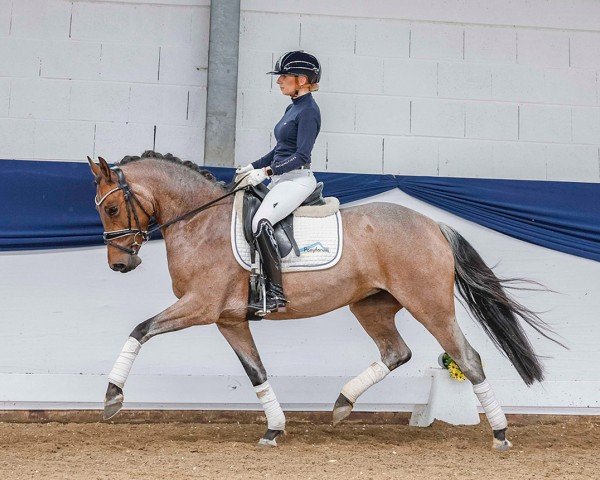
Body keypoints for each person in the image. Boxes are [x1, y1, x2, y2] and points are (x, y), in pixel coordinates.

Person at [236, 51, 322, 314]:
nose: (279, 81)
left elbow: (301, 156)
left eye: (283, 77)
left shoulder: (309, 111)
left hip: (297, 180)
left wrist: (268, 172)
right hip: (281, 177)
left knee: (261, 222)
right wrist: (253, 166)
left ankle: (275, 293)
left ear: (302, 80)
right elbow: (280, 149)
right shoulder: (292, 107)